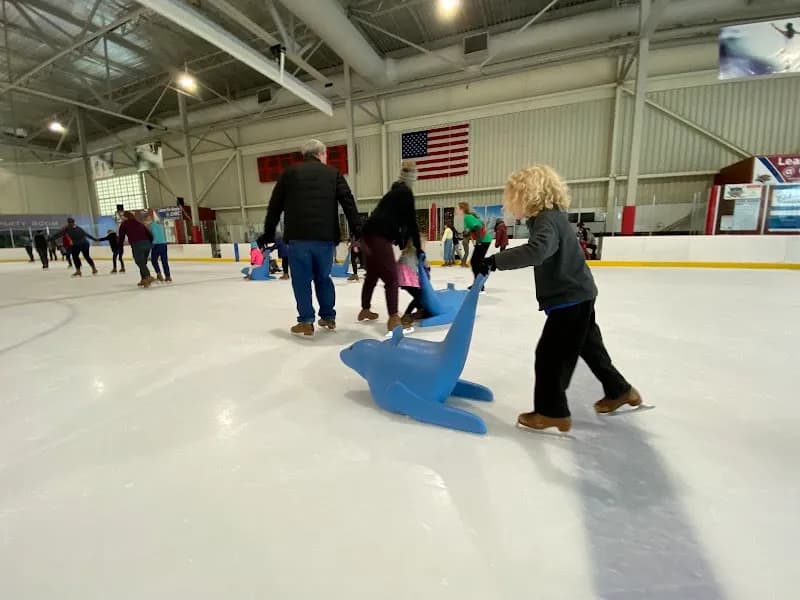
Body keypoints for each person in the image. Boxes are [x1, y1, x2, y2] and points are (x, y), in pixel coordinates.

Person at [479, 165, 641, 433]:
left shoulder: (546, 220)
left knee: (550, 356)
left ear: (527, 195)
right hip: (580, 293)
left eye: (512, 198)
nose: (509, 206)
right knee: (590, 348)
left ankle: (552, 412)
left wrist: (496, 261)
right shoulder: (551, 218)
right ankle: (620, 390)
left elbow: (539, 250)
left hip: (570, 299)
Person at [261, 139, 360, 336]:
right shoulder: (333, 174)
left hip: (298, 239)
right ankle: (328, 317)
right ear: (321, 154)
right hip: (325, 238)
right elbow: (348, 202)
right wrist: (357, 229)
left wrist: (269, 232)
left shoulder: (289, 174)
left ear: (304, 155)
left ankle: (306, 321)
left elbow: (275, 205)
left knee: (301, 281)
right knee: (323, 278)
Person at [359, 160, 422, 333]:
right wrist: (419, 247)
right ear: (411, 178)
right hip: (379, 237)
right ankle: (394, 319)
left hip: (366, 237)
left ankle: (365, 309)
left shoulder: (392, 194)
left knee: (372, 275)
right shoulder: (405, 193)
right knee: (391, 278)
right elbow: (411, 223)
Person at [457, 202, 492, 291]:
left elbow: (478, 227)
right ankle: (478, 284)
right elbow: (475, 227)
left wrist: (479, 242)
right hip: (484, 240)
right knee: (475, 262)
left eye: (457, 208)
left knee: (475, 262)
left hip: (483, 240)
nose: (456, 210)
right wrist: (468, 232)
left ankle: (479, 285)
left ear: (462, 209)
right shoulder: (467, 217)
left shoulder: (467, 217)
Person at [397, 241, 432, 328]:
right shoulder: (418, 252)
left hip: (402, 279)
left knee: (417, 295)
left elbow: (398, 264)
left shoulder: (405, 252)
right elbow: (426, 265)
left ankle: (420, 310)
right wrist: (427, 271)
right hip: (409, 279)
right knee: (419, 296)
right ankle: (406, 315)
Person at [118, 211, 154, 287]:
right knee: (143, 263)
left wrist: (119, 246)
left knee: (139, 262)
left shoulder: (124, 224)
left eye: (122, 216)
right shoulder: (139, 223)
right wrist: (149, 243)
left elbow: (121, 237)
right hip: (147, 244)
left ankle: (148, 276)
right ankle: (144, 280)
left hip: (137, 244)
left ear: (125, 217)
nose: (121, 218)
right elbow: (149, 234)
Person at [146, 211, 171, 283]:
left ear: (149, 220)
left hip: (157, 245)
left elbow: (155, 236)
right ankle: (168, 276)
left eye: (147, 220)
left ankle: (159, 274)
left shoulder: (152, 226)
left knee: (154, 260)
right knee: (164, 261)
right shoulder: (159, 225)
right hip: (163, 244)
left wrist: (151, 245)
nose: (146, 222)